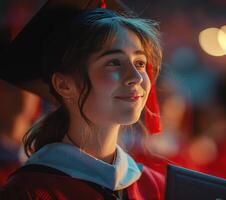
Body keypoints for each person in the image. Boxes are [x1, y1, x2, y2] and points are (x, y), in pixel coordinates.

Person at [0, 1, 164, 199]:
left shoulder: (156, 187)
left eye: (140, 63)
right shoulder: (29, 192)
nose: (137, 77)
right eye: (113, 62)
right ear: (64, 85)